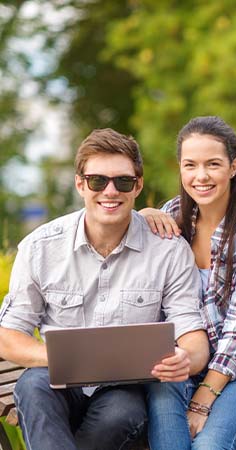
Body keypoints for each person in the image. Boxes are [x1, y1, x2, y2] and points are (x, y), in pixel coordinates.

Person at [0, 128, 209, 450]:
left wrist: (187, 359)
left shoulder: (169, 251)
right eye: (98, 181)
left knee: (122, 413)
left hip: (122, 387)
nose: (110, 191)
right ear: (80, 184)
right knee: (32, 388)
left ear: (137, 185)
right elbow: (9, 337)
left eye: (122, 181)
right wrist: (67, 359)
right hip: (56, 378)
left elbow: (192, 336)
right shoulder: (40, 247)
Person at [139, 116, 236, 450]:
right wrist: (140, 217)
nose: (200, 176)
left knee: (209, 446)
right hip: (179, 362)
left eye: (212, 164)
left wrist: (204, 398)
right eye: (190, 165)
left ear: (232, 168)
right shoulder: (170, 217)